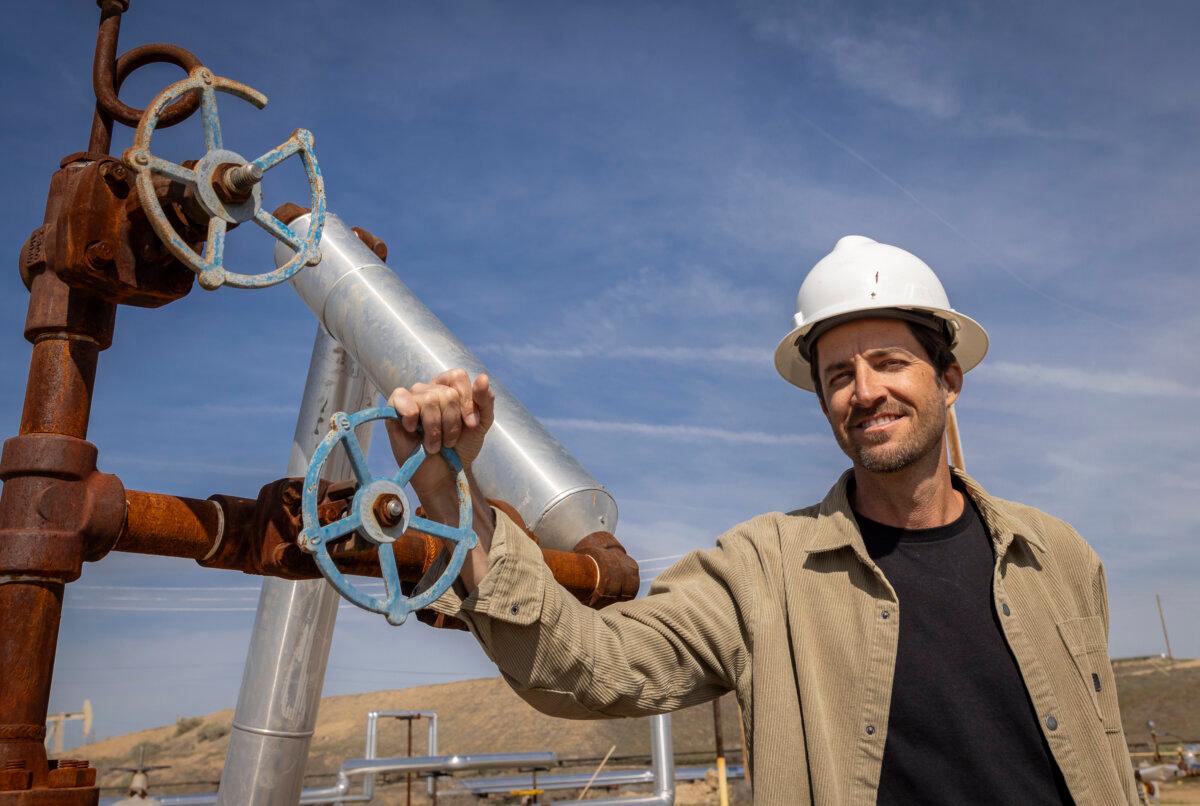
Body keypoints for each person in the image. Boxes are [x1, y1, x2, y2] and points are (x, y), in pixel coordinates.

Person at [384, 235, 1137, 804]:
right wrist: (450, 495)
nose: (864, 391)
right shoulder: (762, 571)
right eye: (839, 375)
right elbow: (590, 669)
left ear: (949, 380)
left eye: (889, 362)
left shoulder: (1057, 556)